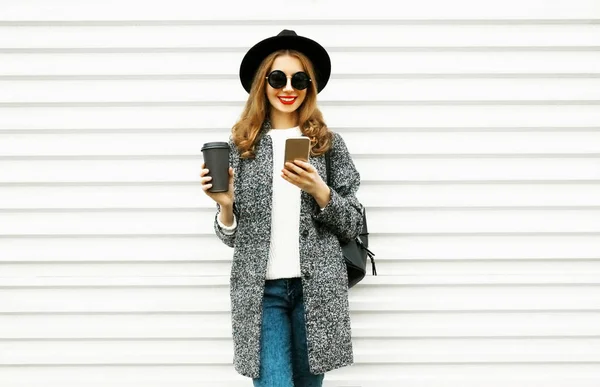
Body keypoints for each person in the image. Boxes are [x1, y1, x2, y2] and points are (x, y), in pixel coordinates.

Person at [200, 29, 364, 387]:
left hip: (317, 291)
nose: (288, 88)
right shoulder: (242, 146)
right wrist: (226, 207)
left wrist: (320, 190)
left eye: (299, 79)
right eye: (278, 78)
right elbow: (231, 237)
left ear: (309, 86)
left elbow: (353, 223)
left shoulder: (328, 145)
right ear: (263, 83)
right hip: (261, 292)